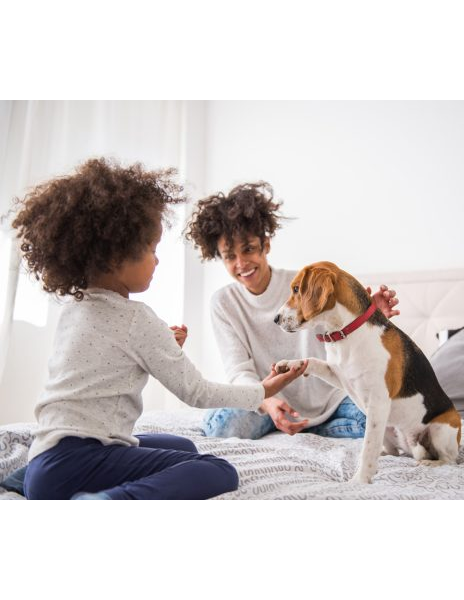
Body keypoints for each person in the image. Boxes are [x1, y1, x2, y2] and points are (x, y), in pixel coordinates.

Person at [9, 159, 306, 500]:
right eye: (151, 249)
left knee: (181, 445)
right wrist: (263, 391)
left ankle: (25, 479)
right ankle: (111, 501)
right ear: (115, 256)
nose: (157, 260)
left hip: (46, 460)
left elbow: (108, 365)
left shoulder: (75, 309)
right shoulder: (137, 319)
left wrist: (161, 347)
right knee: (217, 470)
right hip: (79, 461)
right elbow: (198, 393)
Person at [185, 181, 399, 440]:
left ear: (266, 245)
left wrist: (368, 318)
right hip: (266, 399)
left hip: (329, 399)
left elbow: (341, 335)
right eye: (230, 256)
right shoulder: (223, 303)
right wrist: (267, 402)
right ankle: (304, 427)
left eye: (249, 249)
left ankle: (311, 427)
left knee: (384, 422)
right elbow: (239, 372)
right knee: (223, 428)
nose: (241, 263)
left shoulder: (304, 283)